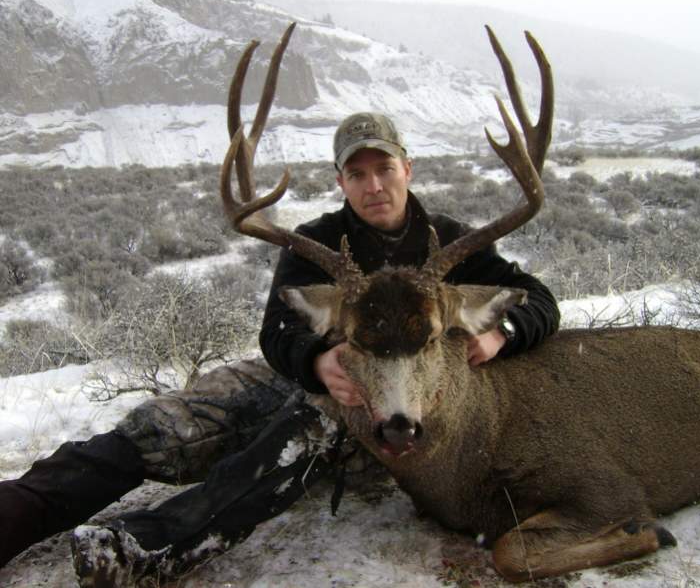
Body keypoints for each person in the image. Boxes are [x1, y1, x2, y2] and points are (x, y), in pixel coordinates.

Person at [0, 112, 559, 586]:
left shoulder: (452, 242)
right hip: (308, 370)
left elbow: (539, 300)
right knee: (167, 424)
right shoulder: (314, 244)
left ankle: (143, 549)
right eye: (357, 174)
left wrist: (501, 333)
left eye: (385, 169)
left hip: (383, 398)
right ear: (340, 181)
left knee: (292, 441)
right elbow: (278, 331)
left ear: (407, 169)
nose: (374, 186)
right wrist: (315, 360)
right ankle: (18, 511)